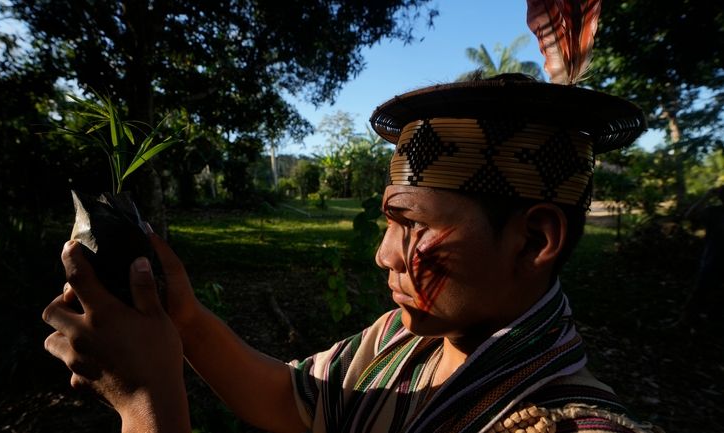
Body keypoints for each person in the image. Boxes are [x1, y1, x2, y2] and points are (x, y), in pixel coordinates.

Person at [42, 74, 662, 433]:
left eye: (410, 225)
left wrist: (147, 405)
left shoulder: (568, 427)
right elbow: (291, 398)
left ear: (535, 239)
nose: (384, 254)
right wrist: (185, 321)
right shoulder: (403, 340)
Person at [680, 185, 724, 327]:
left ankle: (697, 321)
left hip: (711, 261)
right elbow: (689, 216)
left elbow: (689, 215)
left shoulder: (713, 212)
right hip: (712, 261)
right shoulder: (713, 213)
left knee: (702, 293)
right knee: (703, 293)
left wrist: (707, 196)